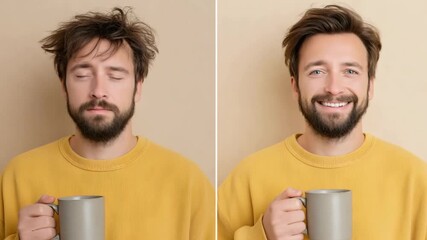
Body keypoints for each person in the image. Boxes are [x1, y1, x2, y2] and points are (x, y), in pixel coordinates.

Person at [0, 7, 214, 240]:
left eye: (115, 76)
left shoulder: (188, 182)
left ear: (138, 87)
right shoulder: (18, 176)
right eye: (82, 75)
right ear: (63, 86)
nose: (98, 91)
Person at [218, 5, 427, 240]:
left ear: (370, 86)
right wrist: (261, 235)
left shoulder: (416, 180)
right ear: (295, 86)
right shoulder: (248, 178)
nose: (334, 88)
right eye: (317, 72)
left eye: (350, 71)